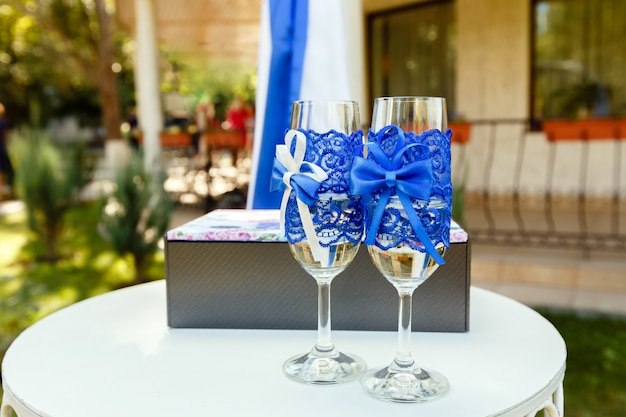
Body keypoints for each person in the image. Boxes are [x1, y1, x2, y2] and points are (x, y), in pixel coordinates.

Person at [0, 102, 13, 201]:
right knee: (1, 172)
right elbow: (7, 137)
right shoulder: (4, 122)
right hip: (1, 149)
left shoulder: (4, 122)